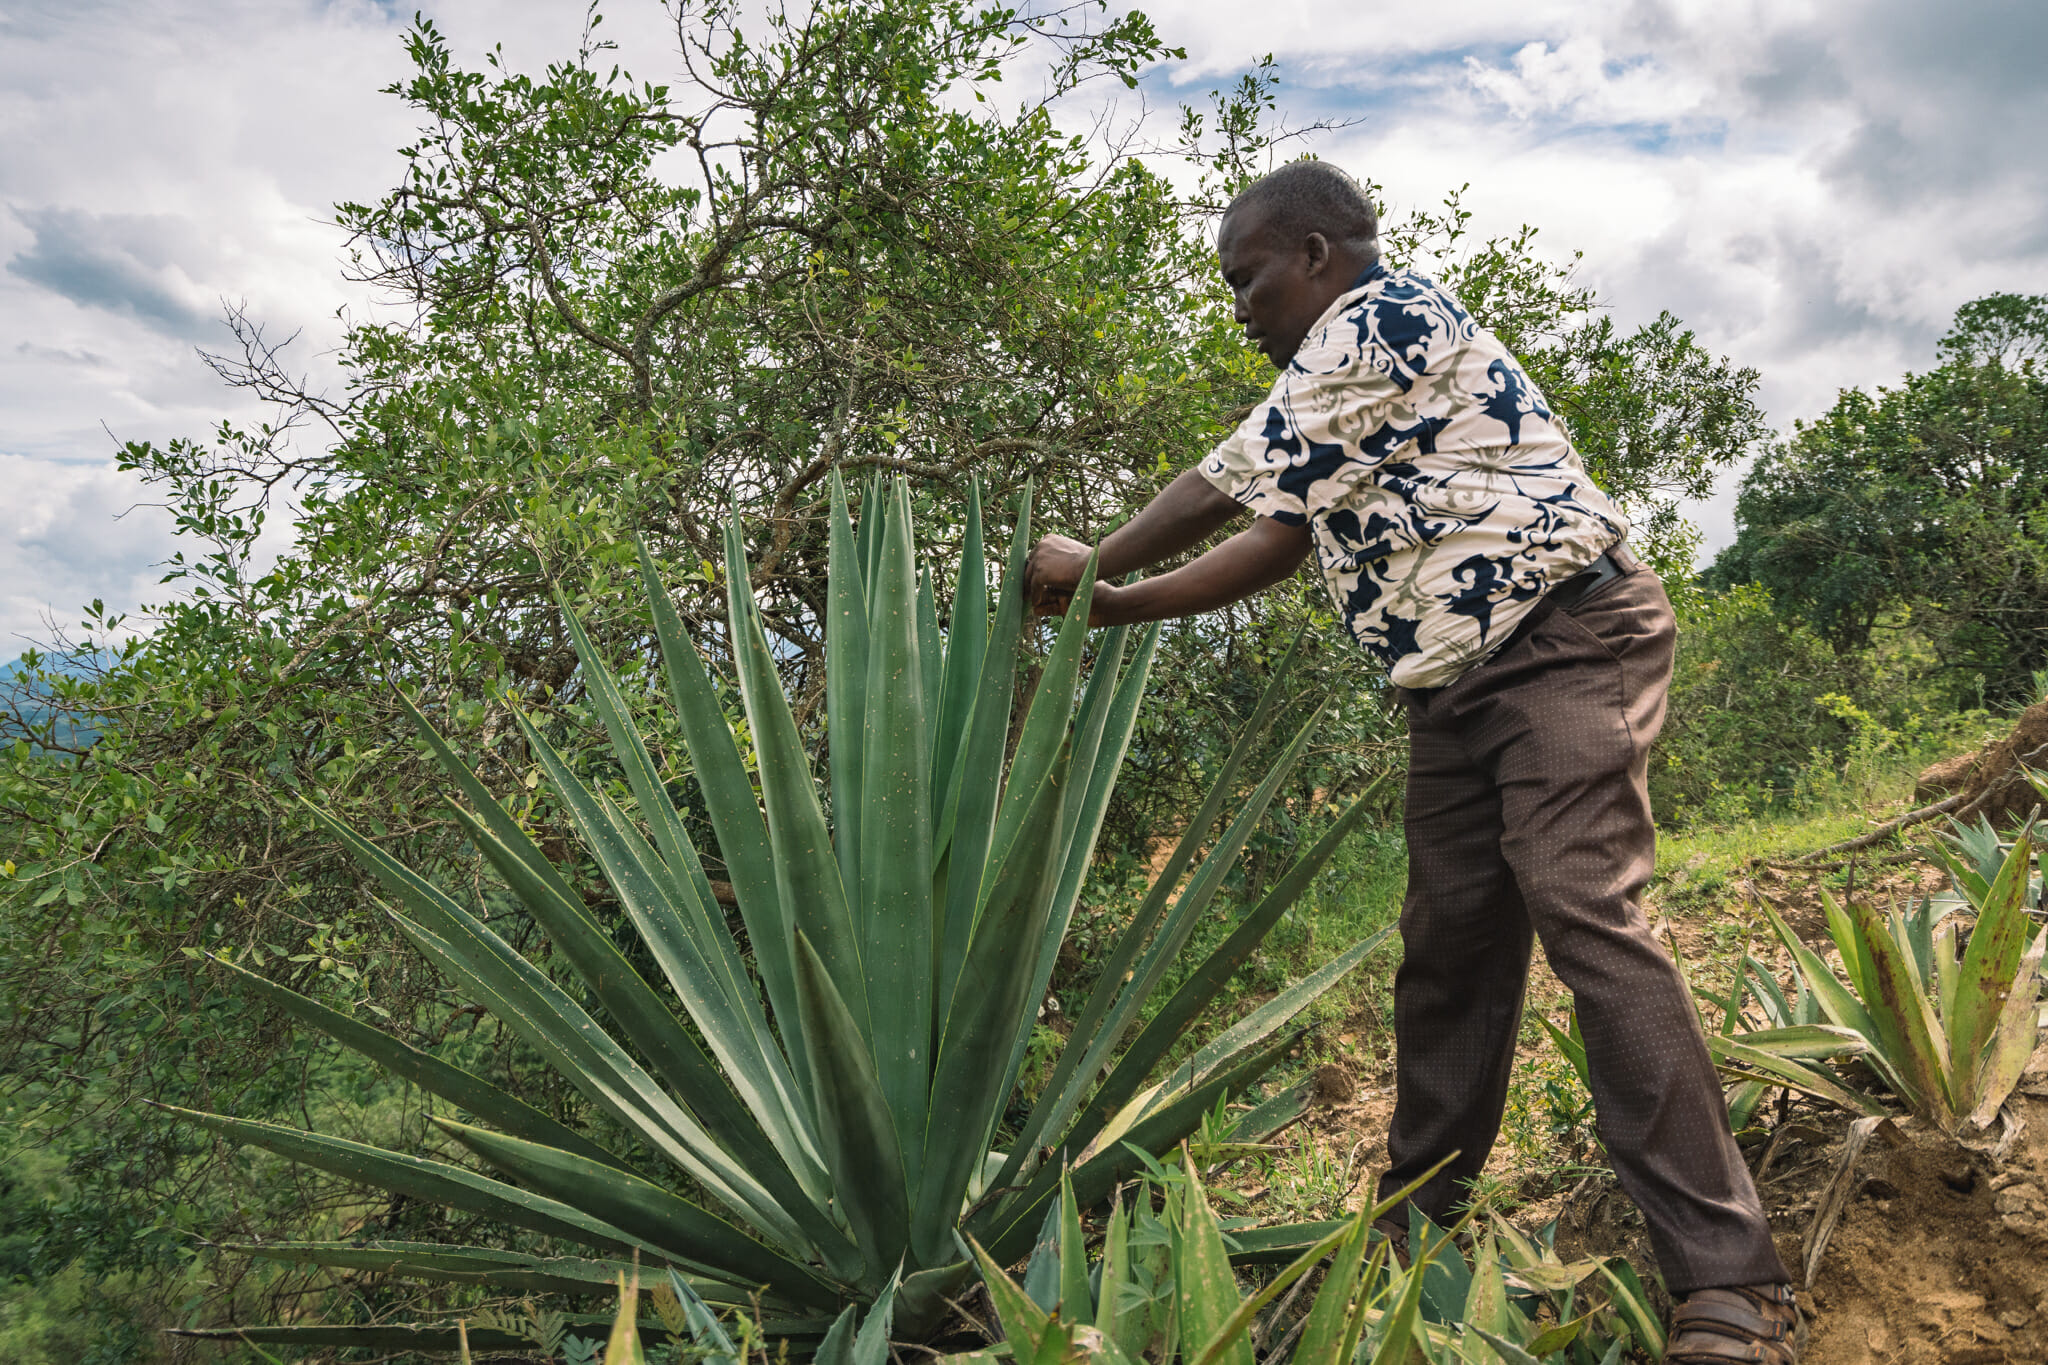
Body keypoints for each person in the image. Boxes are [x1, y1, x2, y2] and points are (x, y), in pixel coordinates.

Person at [1022, 160, 1802, 1365]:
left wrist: (1093, 561)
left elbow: (1224, 481)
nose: (1238, 306)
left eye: (1248, 277)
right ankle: (1413, 1228)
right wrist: (1116, 608)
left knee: (1584, 912)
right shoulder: (1340, 397)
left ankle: (1727, 1288)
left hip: (1563, 645)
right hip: (1448, 691)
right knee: (1446, 952)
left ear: (1317, 255)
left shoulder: (1388, 317)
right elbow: (1277, 535)